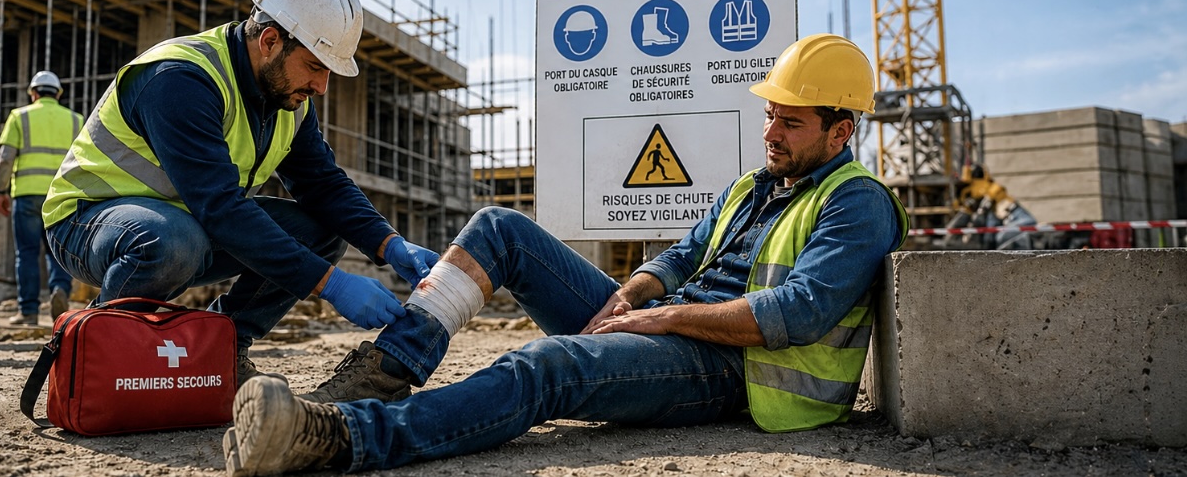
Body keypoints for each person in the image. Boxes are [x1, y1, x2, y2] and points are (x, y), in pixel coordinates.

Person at [223, 34, 910, 475]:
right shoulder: (755, 186)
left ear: (840, 130)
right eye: (768, 115)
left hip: (739, 373)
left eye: (790, 122)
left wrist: (661, 321)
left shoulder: (858, 201)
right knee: (499, 227)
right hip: (675, 326)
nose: (771, 132)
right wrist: (638, 291)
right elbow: (685, 253)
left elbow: (799, 313)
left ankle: (344, 435)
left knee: (549, 365)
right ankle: (386, 367)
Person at [42, 0, 439, 388]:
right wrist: (331, 285)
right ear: (270, 41)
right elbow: (219, 206)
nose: (322, 86)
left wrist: (390, 244)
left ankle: (222, 347)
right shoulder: (181, 79)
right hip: (88, 222)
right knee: (173, 240)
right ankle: (99, 350)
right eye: (315, 66)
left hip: (186, 222)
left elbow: (322, 183)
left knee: (320, 232)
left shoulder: (289, 100)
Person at [0, 71, 84, 325]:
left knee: (27, 253)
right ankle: (60, 290)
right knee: (58, 251)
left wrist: (0, 191)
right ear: (58, 94)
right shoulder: (76, 120)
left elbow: (5, 158)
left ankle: (29, 310)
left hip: (26, 195)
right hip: (61, 196)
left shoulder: (19, 117)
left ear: (33, 93)